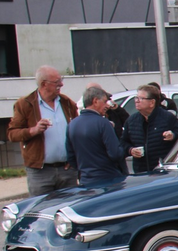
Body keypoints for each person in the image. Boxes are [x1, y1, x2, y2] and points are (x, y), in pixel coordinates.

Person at [6, 66, 79, 196]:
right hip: (40, 172)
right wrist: (33, 131)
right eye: (57, 82)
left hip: (67, 170)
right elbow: (12, 134)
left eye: (61, 80)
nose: (61, 84)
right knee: (41, 211)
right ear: (44, 84)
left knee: (68, 209)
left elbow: (77, 130)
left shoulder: (67, 103)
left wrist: (74, 159)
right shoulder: (25, 104)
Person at [67, 86, 126, 186]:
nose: (107, 106)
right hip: (108, 180)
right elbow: (115, 154)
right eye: (104, 101)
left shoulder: (72, 124)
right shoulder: (103, 124)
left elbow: (71, 156)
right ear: (95, 101)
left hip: (85, 180)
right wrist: (125, 149)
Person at [120, 84, 178, 173]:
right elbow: (123, 142)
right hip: (141, 172)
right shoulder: (132, 120)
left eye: (141, 98)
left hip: (162, 171)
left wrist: (173, 135)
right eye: (136, 98)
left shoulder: (167, 118)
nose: (136, 101)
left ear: (152, 102)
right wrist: (130, 150)